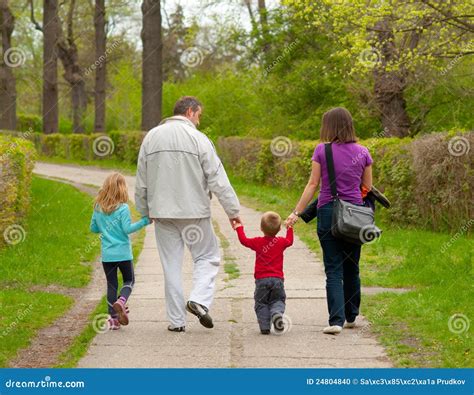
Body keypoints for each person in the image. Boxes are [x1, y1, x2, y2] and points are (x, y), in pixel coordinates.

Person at [135, 96, 241, 332]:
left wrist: (144, 210)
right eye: (199, 115)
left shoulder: (151, 137)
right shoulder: (198, 139)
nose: (199, 121)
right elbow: (218, 178)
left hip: (162, 212)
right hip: (194, 212)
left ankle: (176, 322)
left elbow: (142, 179)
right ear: (191, 112)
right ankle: (199, 300)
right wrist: (232, 210)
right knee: (207, 256)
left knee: (171, 265)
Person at [285, 107, 373, 335]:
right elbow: (367, 188)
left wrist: (297, 212)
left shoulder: (321, 151)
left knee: (333, 269)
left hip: (327, 213)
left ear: (329, 127)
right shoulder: (363, 152)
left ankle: (336, 321)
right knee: (352, 267)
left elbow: (313, 185)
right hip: (355, 215)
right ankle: (352, 316)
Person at [90, 173, 151, 330]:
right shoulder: (123, 208)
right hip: (123, 253)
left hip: (108, 255)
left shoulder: (98, 207)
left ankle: (114, 320)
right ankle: (122, 301)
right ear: (122, 189)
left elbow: (93, 228)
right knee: (129, 281)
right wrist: (145, 221)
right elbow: (127, 229)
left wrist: (103, 224)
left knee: (111, 285)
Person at [233, 212, 293, 335]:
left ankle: (265, 327)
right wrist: (290, 228)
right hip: (277, 280)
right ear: (279, 228)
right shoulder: (281, 242)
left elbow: (244, 241)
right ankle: (276, 314)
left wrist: (239, 228)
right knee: (278, 300)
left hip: (261, 280)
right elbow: (289, 241)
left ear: (261, 228)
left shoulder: (257, 242)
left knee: (261, 303)